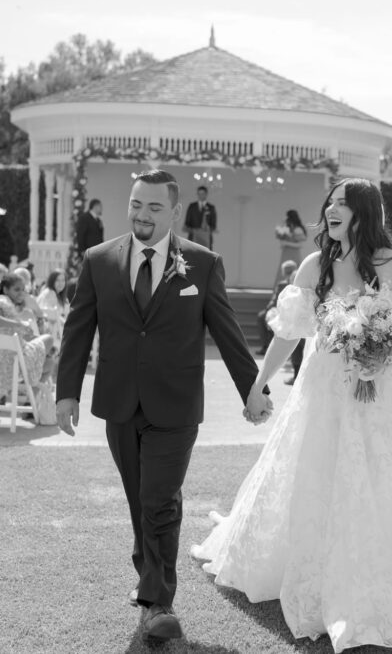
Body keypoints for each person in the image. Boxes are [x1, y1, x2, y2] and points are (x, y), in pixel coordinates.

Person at [191, 178, 392, 653]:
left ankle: (377, 570)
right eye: (330, 201)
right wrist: (257, 381)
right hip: (323, 389)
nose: (332, 208)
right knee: (315, 471)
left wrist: (382, 356)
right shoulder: (316, 265)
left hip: (381, 394)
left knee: (380, 474)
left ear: (364, 213)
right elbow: (288, 333)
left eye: (344, 204)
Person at [55, 168, 267, 644]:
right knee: (140, 500)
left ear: (174, 212)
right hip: (119, 403)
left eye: (154, 207)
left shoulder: (203, 264)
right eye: (136, 204)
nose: (142, 214)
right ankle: (149, 574)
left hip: (175, 405)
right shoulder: (99, 259)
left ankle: (158, 603)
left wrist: (252, 390)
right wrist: (67, 390)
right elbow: (78, 327)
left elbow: (228, 333)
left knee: (159, 500)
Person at [0, 273, 55, 411]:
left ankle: (30, 403)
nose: (21, 293)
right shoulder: (1, 300)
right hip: (7, 360)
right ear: (6, 290)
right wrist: (17, 324)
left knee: (49, 363)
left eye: (23, 289)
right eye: (17, 289)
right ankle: (31, 402)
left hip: (12, 358)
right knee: (49, 339)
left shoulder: (11, 305)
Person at [256, 260, 297, 356]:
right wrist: (268, 309)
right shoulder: (281, 284)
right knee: (262, 316)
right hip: (279, 310)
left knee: (269, 318)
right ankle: (266, 346)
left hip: (292, 311)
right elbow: (274, 300)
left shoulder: (298, 282)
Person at [273, 209, 307, 284]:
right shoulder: (287, 228)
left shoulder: (298, 229)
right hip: (286, 254)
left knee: (293, 272)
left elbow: (300, 245)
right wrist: (282, 224)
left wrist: (286, 243)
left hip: (293, 254)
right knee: (283, 273)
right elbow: (279, 233)